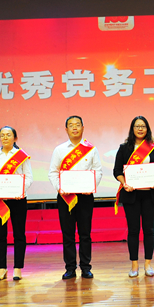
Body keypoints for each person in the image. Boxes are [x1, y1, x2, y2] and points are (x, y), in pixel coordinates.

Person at [48, 115, 103, 280]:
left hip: (85, 197)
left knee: (85, 234)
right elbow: (53, 172)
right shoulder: (59, 150)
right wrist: (60, 188)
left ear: (83, 128)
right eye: (71, 125)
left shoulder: (91, 149)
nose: (74, 128)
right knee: (68, 234)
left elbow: (98, 171)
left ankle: (86, 267)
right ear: (66, 129)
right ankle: (70, 268)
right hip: (66, 198)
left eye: (77, 124)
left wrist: (91, 186)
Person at [113, 116, 154, 278]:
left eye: (143, 126)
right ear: (132, 129)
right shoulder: (124, 148)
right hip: (131, 195)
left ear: (147, 129)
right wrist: (124, 183)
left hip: (150, 195)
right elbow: (117, 171)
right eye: (137, 126)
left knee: (149, 230)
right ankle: (134, 265)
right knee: (133, 230)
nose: (140, 129)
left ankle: (148, 264)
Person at [0, 126, 32, 281]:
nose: (5, 137)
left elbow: (29, 177)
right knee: (0, 235)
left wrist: (20, 191)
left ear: (15, 138)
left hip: (18, 200)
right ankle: (2, 268)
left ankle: (18, 268)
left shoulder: (22, 156)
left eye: (8, 135)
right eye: (2, 135)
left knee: (19, 234)